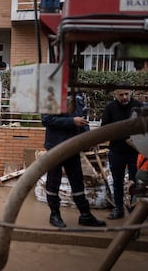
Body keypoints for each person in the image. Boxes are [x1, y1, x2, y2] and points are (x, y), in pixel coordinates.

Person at [42, 93, 106, 228]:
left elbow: (83, 121)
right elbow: (46, 120)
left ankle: (85, 215)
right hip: (56, 148)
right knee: (53, 183)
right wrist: (72, 121)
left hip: (73, 147)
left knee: (77, 182)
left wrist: (89, 138)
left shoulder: (79, 97)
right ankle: (54, 214)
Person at [101, 89, 143, 220]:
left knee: (136, 182)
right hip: (117, 151)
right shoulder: (110, 107)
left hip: (135, 152)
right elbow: (104, 129)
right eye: (121, 95)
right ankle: (118, 208)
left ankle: (135, 211)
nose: (125, 97)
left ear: (130, 93)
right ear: (115, 94)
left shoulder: (139, 106)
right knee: (117, 181)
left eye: (126, 94)